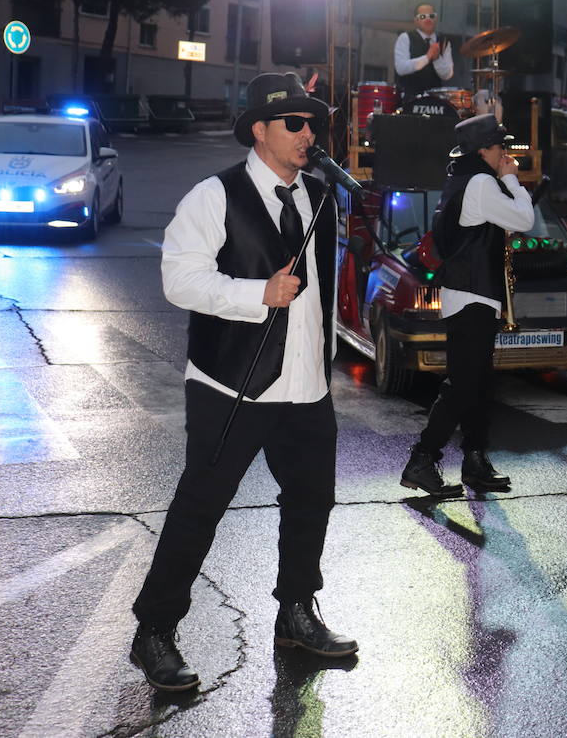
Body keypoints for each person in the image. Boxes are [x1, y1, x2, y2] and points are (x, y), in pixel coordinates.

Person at [130, 73, 357, 693]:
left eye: (313, 124)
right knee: (200, 506)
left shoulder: (320, 196)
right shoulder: (214, 195)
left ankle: (296, 611)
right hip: (231, 384)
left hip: (306, 385)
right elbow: (180, 280)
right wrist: (257, 292)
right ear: (259, 130)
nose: (308, 134)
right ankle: (154, 630)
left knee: (311, 502)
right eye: (295, 123)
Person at [400, 114, 534, 498]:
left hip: (469, 294)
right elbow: (523, 219)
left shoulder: (461, 179)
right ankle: (422, 459)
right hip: (472, 295)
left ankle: (475, 459)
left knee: (476, 383)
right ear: (483, 150)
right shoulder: (480, 182)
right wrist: (512, 179)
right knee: (463, 385)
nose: (505, 154)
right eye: (500, 148)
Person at [393, 2, 454, 104]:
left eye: (431, 16)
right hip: (409, 99)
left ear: (436, 19)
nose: (428, 19)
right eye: (422, 16)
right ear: (416, 21)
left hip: (435, 101)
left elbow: (447, 74)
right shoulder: (405, 38)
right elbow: (401, 68)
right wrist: (427, 58)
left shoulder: (444, 42)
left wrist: (437, 59)